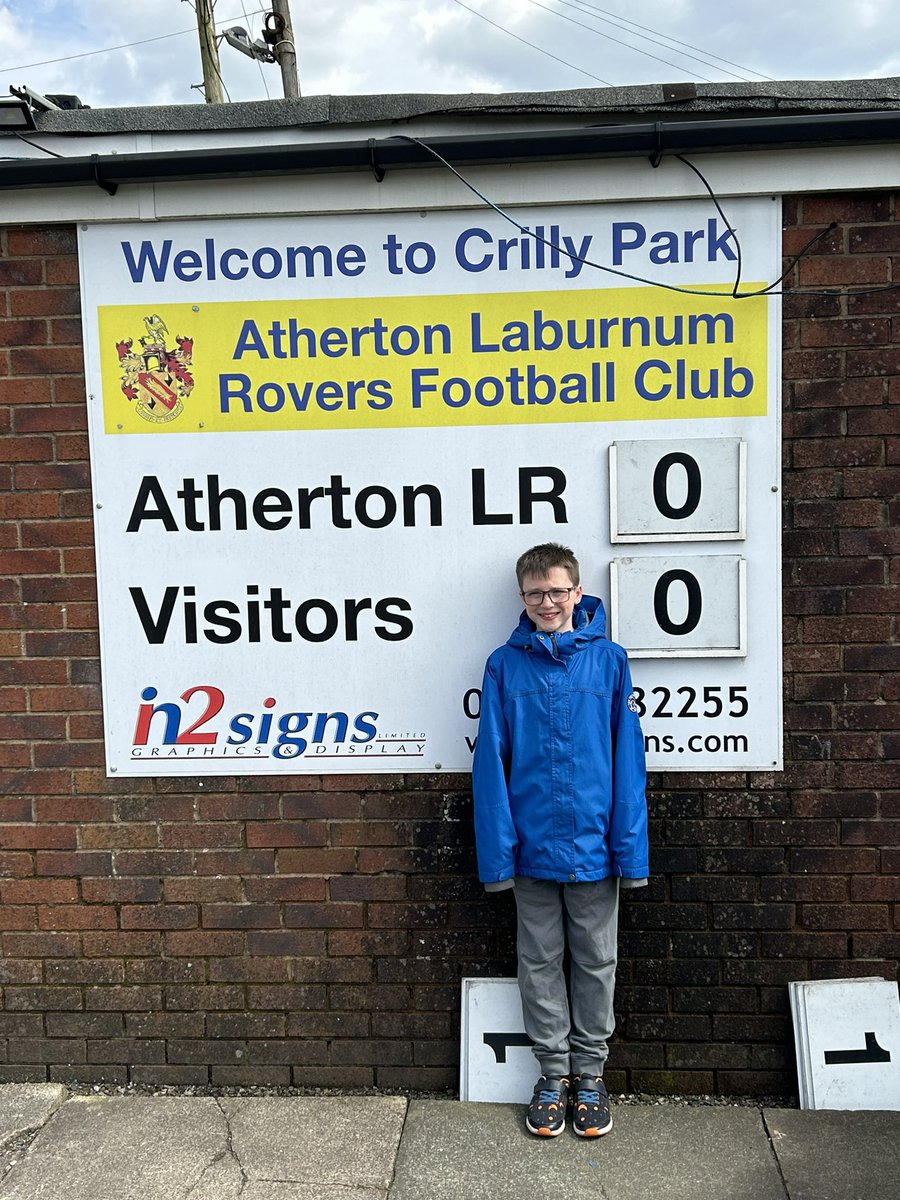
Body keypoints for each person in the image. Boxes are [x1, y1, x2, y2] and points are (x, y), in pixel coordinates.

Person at [472, 542, 649, 1138]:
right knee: (539, 962)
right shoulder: (504, 665)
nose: (547, 602)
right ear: (522, 598)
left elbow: (629, 761)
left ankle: (591, 1078)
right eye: (535, 594)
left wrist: (632, 851)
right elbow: (490, 765)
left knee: (598, 961)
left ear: (577, 592)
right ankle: (552, 1075)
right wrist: (498, 853)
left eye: (557, 591)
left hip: (597, 847)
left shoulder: (610, 662)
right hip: (531, 847)